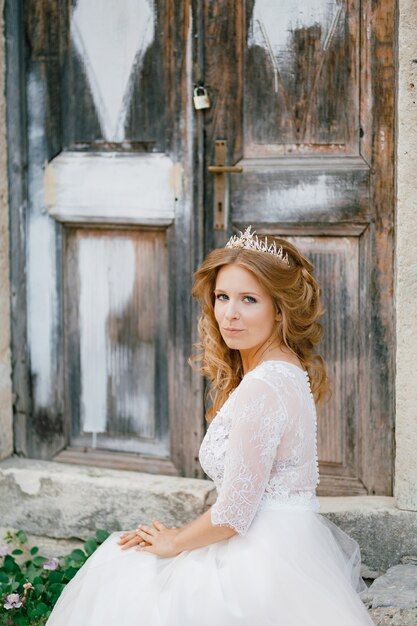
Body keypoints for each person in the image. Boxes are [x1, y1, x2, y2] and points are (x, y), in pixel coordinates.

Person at [46, 228, 374, 625]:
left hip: (260, 556)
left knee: (122, 573)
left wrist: (175, 541)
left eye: (248, 300)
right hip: (283, 540)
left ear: (279, 309)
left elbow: (234, 514)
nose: (229, 314)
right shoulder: (284, 369)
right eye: (222, 297)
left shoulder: (264, 385)